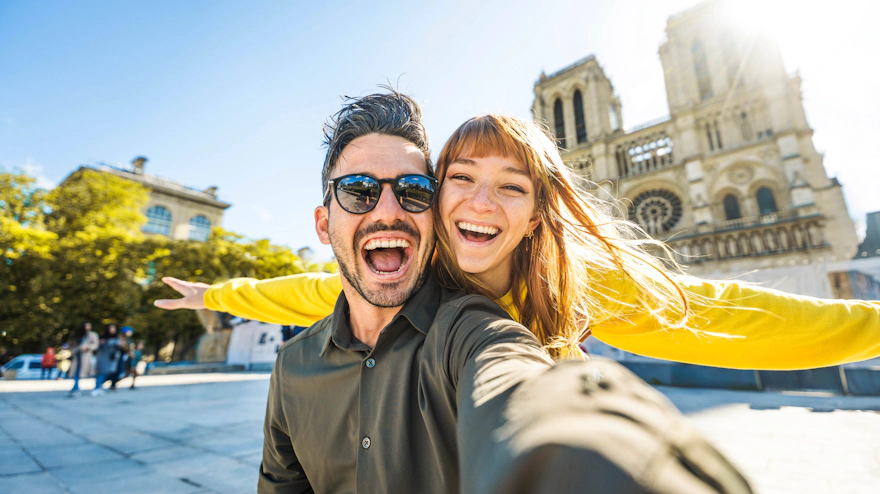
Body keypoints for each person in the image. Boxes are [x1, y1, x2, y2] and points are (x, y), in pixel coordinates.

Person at [161, 90, 752, 493]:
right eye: (361, 191)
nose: (388, 210)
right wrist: (214, 296)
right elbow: (306, 290)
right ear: (323, 223)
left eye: (414, 190)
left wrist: (602, 445)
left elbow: (520, 380)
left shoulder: (473, 324)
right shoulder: (293, 368)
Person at [157, 115, 880, 370]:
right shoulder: (405, 275)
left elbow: (729, 317)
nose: (482, 201)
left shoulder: (569, 284)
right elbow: (309, 291)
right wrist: (217, 294)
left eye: (513, 186)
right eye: (461, 179)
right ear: (435, 194)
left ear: (537, 214)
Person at [91, 324, 123, 397]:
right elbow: (97, 347)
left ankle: (99, 387)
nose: (112, 330)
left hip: (112, 359)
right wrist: (100, 343)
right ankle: (96, 388)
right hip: (103, 358)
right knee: (101, 372)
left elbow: (119, 346)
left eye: (113, 328)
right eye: (111, 328)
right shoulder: (103, 338)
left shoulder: (116, 338)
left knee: (108, 373)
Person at [68, 321, 99, 397]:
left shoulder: (92, 335)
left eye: (89, 326)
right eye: (86, 326)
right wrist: (76, 349)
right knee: (75, 373)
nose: (88, 328)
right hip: (76, 356)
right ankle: (76, 389)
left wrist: (87, 347)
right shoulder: (77, 336)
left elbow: (95, 345)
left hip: (86, 356)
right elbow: (71, 346)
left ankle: (75, 389)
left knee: (80, 373)